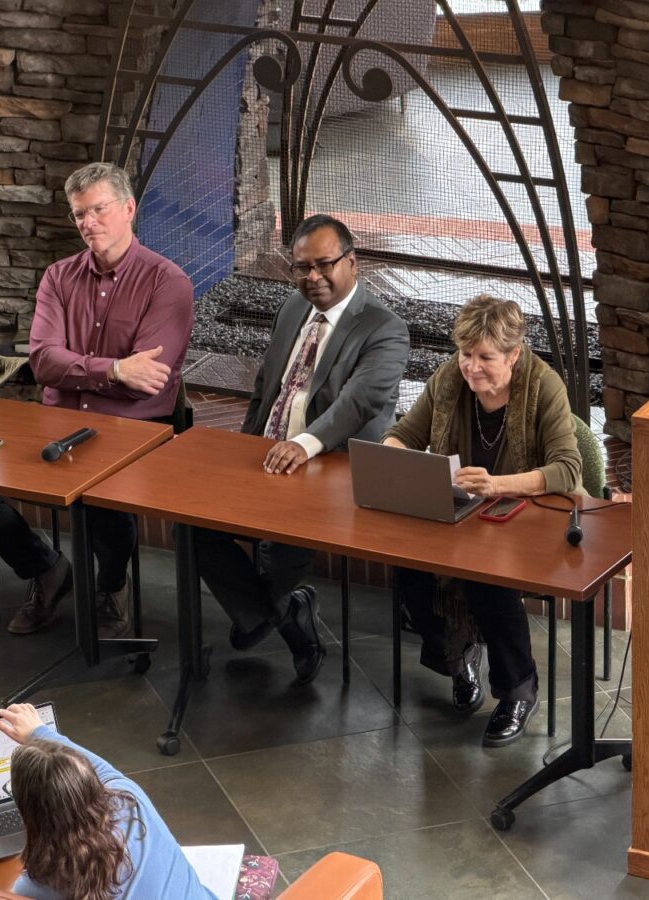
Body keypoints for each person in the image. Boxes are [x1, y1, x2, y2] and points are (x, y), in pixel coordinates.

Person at [0, 162, 194, 636]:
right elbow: (42, 362)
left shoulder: (169, 283)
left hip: (133, 430)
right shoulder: (58, 277)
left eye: (98, 210)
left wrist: (80, 370)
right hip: (56, 425)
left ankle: (113, 583)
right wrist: (116, 368)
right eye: (79, 214)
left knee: (99, 498)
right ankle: (46, 568)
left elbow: (151, 381)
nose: (88, 223)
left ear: (127, 209)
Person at [192, 215, 410, 685]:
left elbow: (358, 403)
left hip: (332, 469)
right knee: (192, 524)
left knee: (280, 551)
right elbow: (265, 386)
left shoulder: (385, 329)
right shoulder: (291, 308)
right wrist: (244, 449)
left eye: (324, 265)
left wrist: (304, 445)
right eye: (301, 267)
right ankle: (287, 614)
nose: (312, 277)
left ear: (353, 263)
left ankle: (271, 611)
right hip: (267, 454)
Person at [383, 296, 581, 747]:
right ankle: (459, 656)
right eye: (465, 354)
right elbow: (405, 434)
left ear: (514, 354)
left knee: (490, 577)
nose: (471, 367)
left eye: (485, 358)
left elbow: (567, 469)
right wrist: (392, 458)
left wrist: (498, 485)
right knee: (410, 567)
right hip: (462, 511)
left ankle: (516, 691)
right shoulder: (450, 378)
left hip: (525, 515)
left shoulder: (543, 385)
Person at [0, 703, 213, 900]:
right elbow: (94, 764)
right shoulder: (130, 800)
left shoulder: (40, 885)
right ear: (90, 779)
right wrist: (38, 732)